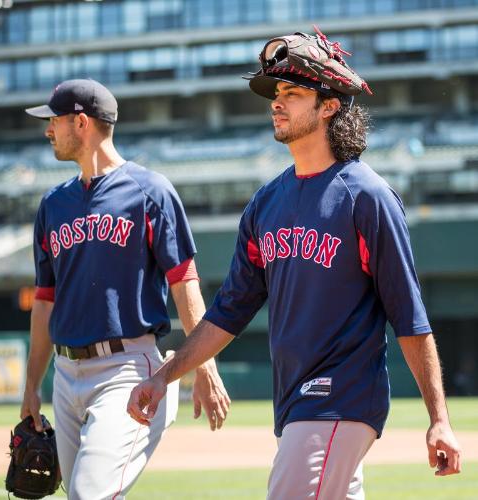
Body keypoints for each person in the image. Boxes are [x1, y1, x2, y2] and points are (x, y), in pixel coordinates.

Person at [127, 30, 461, 499]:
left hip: (338, 401)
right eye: (277, 93)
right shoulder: (266, 203)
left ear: (329, 106)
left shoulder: (367, 198)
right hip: (294, 406)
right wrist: (166, 375)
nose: (277, 103)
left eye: (294, 93)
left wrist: (439, 420)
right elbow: (229, 311)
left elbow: (409, 317)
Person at [21, 78, 230, 500]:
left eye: (54, 120)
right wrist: (31, 386)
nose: (48, 130)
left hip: (127, 371)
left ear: (81, 123)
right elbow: (45, 302)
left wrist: (204, 369)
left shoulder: (149, 191)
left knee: (89, 493)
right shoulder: (53, 204)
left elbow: (184, 283)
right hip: (65, 375)